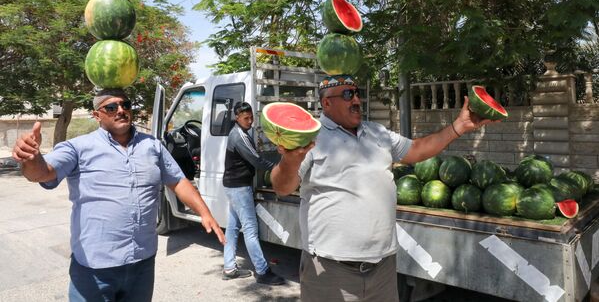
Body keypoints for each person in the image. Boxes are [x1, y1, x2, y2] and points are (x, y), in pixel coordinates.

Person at [271, 75, 497, 302]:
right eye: (348, 95)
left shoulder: (377, 132)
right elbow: (282, 187)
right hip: (331, 268)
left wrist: (458, 127)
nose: (357, 100)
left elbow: (417, 150)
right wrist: (289, 161)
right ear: (327, 103)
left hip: (383, 268)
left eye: (357, 93)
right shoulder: (310, 139)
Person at [12, 88, 225, 302]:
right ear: (97, 115)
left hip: (142, 264)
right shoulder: (78, 147)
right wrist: (31, 158)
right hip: (94, 270)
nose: (120, 110)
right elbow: (42, 173)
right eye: (111, 107)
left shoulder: (152, 146)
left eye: (126, 105)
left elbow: (177, 180)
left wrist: (204, 213)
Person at [221, 102, 285, 285]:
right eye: (246, 118)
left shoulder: (240, 132)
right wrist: (278, 168)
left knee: (233, 229)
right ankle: (262, 271)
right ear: (237, 118)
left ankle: (229, 268)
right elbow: (256, 160)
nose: (250, 121)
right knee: (250, 229)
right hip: (239, 188)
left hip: (233, 186)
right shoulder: (239, 136)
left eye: (251, 118)